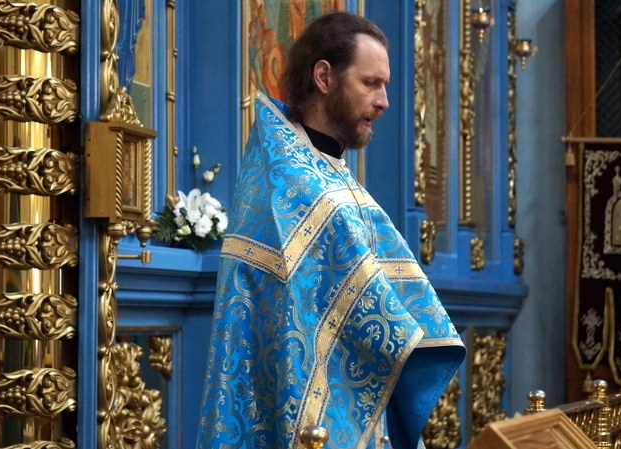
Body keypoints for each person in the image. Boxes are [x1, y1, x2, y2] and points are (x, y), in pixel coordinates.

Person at [196, 11, 465, 449]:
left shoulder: (330, 173)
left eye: (384, 85)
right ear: (324, 77)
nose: (384, 101)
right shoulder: (290, 182)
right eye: (371, 83)